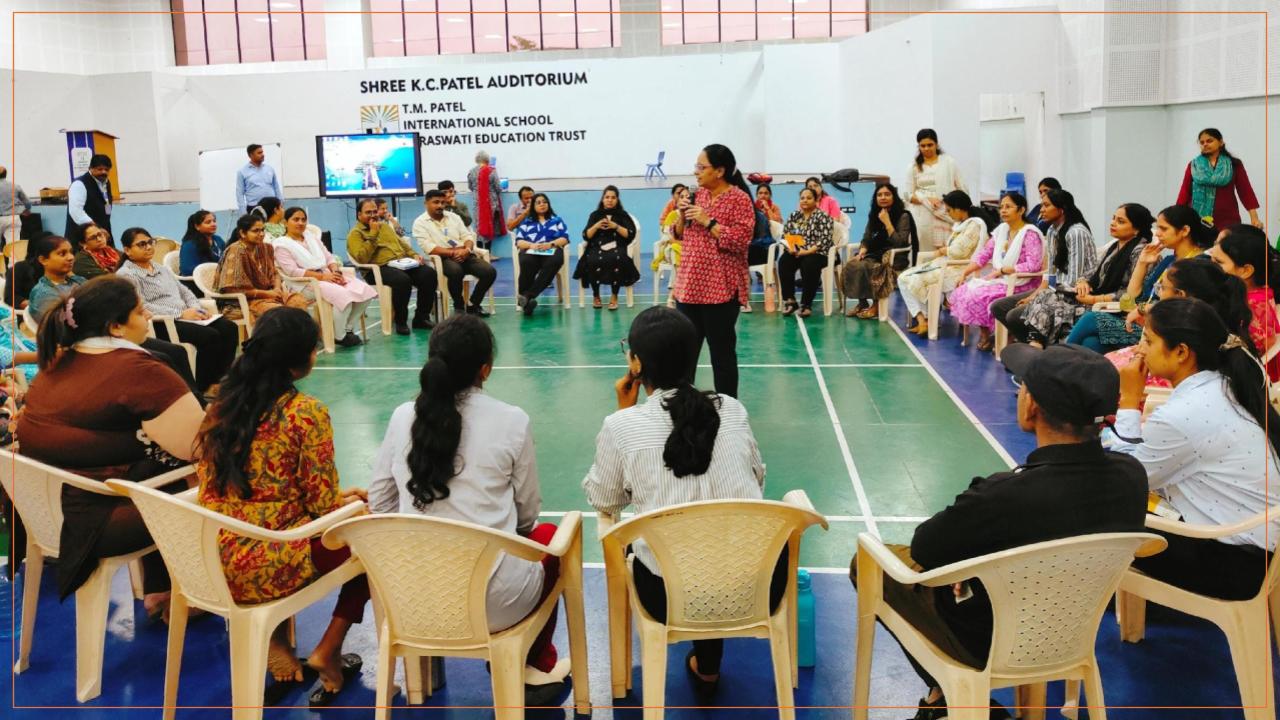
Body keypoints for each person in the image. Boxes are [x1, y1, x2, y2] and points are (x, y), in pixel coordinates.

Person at [852, 343, 1147, 720]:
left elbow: (925, 548)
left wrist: (969, 570)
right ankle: (944, 698)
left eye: (1023, 385)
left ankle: (947, 696)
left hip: (990, 639)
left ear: (1032, 407)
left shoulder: (1004, 495)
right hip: (1072, 633)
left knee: (869, 564)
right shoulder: (1132, 478)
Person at [367, 313, 569, 704]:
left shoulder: (402, 416)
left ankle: (421, 681)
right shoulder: (512, 420)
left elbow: (380, 503)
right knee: (548, 539)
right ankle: (534, 664)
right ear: (485, 370)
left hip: (413, 599)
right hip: (495, 604)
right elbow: (527, 516)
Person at [582, 306, 772, 702]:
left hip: (668, 596)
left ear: (636, 363)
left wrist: (623, 414)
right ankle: (708, 666)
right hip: (756, 587)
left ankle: (696, 665)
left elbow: (604, 499)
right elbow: (758, 478)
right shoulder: (732, 410)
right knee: (715, 538)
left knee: (660, 547)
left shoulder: (621, 426)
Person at [194, 307, 370, 706]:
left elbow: (247, 488)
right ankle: (329, 647)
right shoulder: (305, 414)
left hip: (211, 554)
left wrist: (339, 501)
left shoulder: (219, 407)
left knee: (337, 515)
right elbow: (322, 508)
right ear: (304, 358)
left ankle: (276, 639)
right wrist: (347, 505)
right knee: (373, 541)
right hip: (272, 558)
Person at [17, 276, 205, 612]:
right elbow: (198, 446)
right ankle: (203, 593)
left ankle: (161, 590)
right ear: (115, 326)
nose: (148, 314)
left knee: (161, 463)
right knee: (216, 476)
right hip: (100, 523)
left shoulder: (56, 364)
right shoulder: (140, 371)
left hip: (46, 513)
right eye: (139, 310)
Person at [1112, 297, 1279, 601]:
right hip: (1259, 548)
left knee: (1100, 510)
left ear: (1181, 352)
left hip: (1234, 564)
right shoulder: (1226, 384)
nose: (1139, 349)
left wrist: (1128, 402)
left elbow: (1126, 482)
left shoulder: (1183, 414)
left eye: (1148, 340)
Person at [27, 233, 199, 392]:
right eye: (62, 254)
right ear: (43, 260)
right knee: (161, 358)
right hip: (86, 345)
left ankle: (195, 402)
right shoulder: (43, 293)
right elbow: (63, 330)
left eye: (70, 252)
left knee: (177, 352)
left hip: (110, 335)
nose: (71, 257)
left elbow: (103, 305)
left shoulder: (78, 281)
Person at [1067, 204, 1214, 353]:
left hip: (1164, 330)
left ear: (1184, 231)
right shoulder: (1168, 260)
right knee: (1091, 343)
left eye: (1163, 229)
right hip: (1142, 323)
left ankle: (1054, 361)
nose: (1157, 234)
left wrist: (1144, 309)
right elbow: (1132, 297)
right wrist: (1142, 263)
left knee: (1091, 318)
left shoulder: (1199, 263)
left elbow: (1184, 307)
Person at [671, 144, 754, 398]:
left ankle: (728, 409)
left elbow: (741, 240)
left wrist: (709, 221)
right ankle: (683, 406)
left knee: (722, 354)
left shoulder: (739, 199)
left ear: (719, 171)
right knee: (685, 353)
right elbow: (678, 235)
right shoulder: (698, 196)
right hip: (690, 287)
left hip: (721, 289)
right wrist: (683, 216)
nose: (696, 172)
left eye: (701, 167)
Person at [117, 226, 239, 393]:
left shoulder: (161, 268)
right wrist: (181, 314)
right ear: (128, 250)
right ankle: (204, 385)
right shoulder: (127, 274)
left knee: (229, 328)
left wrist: (197, 309)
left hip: (186, 316)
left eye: (150, 242)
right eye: (141, 244)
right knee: (210, 336)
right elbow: (141, 306)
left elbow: (184, 291)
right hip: (160, 322)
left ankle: (220, 380)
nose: (148, 247)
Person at [1105, 258, 1253, 393]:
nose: (1158, 294)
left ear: (1180, 295)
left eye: (1162, 288)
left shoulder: (1183, 336)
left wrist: (1129, 398)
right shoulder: (1211, 327)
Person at [995, 189, 1097, 345]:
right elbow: (1051, 272)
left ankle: (1038, 349)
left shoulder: (1076, 233)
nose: (1041, 209)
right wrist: (1036, 294)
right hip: (1055, 290)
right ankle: (1036, 347)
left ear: (1061, 209)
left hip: (1074, 296)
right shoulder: (1052, 230)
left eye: (1046, 205)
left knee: (1014, 315)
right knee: (999, 307)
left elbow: (1073, 281)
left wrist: (1039, 296)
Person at [948, 192, 1045, 351]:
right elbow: (984, 254)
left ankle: (1005, 335)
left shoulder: (1030, 233)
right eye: (1001, 207)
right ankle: (986, 334)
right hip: (1002, 278)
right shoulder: (1002, 230)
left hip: (1023, 282)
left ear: (1021, 210)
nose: (1003, 211)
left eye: (1008, 207)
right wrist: (965, 273)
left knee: (982, 294)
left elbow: (1033, 265)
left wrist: (1006, 270)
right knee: (966, 289)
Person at [273, 206, 377, 347]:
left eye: (303, 219)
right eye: (295, 219)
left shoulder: (311, 237)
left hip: (327, 275)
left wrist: (335, 271)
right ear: (285, 223)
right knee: (344, 297)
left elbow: (329, 257)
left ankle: (347, 329)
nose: (300, 223)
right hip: (305, 283)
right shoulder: (281, 244)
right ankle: (339, 336)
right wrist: (323, 278)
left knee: (365, 291)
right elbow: (293, 272)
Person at [898, 190, 989, 336]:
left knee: (915, 278)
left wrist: (944, 250)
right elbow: (953, 249)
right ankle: (923, 320)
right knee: (902, 278)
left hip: (960, 268)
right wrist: (945, 251)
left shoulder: (974, 226)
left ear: (958, 208)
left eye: (949, 210)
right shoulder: (961, 225)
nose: (948, 213)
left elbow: (959, 251)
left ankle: (927, 320)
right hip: (947, 264)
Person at [346, 197, 437, 335]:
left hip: (401, 264)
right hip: (377, 269)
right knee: (402, 280)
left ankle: (421, 318)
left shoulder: (384, 226)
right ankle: (400, 322)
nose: (373, 215)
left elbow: (401, 243)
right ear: (359, 215)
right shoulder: (355, 234)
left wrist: (413, 255)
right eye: (368, 212)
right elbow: (361, 258)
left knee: (429, 274)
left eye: (374, 211)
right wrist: (373, 234)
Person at [1208, 224, 1280, 380]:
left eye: (1218, 262)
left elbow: (1247, 353)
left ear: (1245, 270)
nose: (1210, 267)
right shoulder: (1258, 294)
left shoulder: (1252, 304)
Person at [412, 190, 496, 317]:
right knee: (456, 271)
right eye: (436, 202)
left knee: (489, 272)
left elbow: (467, 236)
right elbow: (429, 247)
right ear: (426, 203)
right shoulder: (420, 223)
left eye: (443, 202)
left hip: (465, 254)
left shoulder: (454, 217)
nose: (440, 206)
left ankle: (473, 304)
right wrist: (452, 253)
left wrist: (467, 250)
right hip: (443, 259)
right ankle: (459, 306)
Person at [841, 182, 918, 320]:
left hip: (894, 256)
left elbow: (900, 243)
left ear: (894, 197)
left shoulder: (903, 216)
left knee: (872, 268)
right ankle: (862, 303)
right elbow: (867, 236)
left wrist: (887, 222)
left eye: (887, 194)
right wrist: (863, 250)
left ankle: (876, 306)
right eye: (879, 195)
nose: (883, 197)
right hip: (874, 253)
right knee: (853, 265)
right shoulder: (874, 215)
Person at [214, 214, 311, 323]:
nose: (261, 234)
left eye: (262, 230)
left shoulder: (266, 248)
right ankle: (280, 339)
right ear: (242, 233)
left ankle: (301, 339)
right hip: (242, 301)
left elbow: (275, 273)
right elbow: (232, 288)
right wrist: (267, 294)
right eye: (256, 231)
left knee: (298, 301)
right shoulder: (236, 251)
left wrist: (277, 289)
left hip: (271, 294)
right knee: (280, 312)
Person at [1175, 128, 1263, 232]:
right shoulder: (1194, 166)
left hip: (1227, 219)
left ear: (1221, 142)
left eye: (1209, 141)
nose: (1205, 144)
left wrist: (1254, 217)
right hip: (1196, 219)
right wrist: (1176, 217)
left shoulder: (1233, 164)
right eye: (1202, 142)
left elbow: (1245, 191)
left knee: (1227, 247)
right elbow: (1185, 192)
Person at [575, 185, 639, 310]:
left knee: (617, 259)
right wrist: (596, 226)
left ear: (617, 200)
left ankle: (614, 296)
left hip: (617, 246)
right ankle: (596, 295)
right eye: (607, 197)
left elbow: (630, 235)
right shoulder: (595, 215)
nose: (610, 200)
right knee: (592, 260)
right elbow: (586, 235)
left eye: (613, 197)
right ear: (602, 199)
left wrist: (616, 226)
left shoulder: (623, 215)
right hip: (596, 247)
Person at [904, 129, 968, 252]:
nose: (926, 148)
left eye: (930, 145)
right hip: (923, 214)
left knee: (947, 248)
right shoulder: (913, 166)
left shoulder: (949, 163)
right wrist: (925, 199)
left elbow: (962, 189)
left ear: (936, 144)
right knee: (924, 248)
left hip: (946, 212)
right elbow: (907, 195)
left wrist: (948, 203)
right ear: (919, 146)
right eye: (923, 146)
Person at [776, 187, 835, 317]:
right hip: (798, 251)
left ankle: (806, 304)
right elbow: (786, 235)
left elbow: (824, 240)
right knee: (784, 261)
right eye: (802, 198)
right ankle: (790, 300)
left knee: (809, 264)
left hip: (819, 253)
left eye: (809, 198)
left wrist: (807, 252)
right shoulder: (794, 215)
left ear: (816, 200)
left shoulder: (823, 216)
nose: (805, 200)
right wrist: (791, 248)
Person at [513, 193, 569, 317]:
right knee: (526, 261)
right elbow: (519, 241)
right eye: (538, 202)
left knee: (554, 262)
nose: (542, 204)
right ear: (533, 206)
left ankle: (527, 297)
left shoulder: (556, 220)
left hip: (551, 250)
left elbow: (565, 238)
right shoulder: (527, 222)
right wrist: (531, 245)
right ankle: (528, 303)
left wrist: (551, 244)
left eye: (545, 202)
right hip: (532, 250)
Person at [65, 154, 113, 248]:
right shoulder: (79, 184)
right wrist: (97, 229)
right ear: (90, 168)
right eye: (100, 169)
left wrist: (106, 220)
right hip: (83, 237)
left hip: (103, 233)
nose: (103, 172)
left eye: (106, 170)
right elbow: (76, 212)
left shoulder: (106, 182)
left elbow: (107, 202)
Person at [467, 150, 505, 249]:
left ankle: (480, 253)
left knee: (478, 227)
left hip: (477, 203)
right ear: (487, 160)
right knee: (488, 227)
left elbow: (470, 187)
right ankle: (488, 253)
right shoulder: (491, 170)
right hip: (490, 203)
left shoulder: (471, 171)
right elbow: (498, 188)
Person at [235, 143, 283, 215]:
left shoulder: (269, 169)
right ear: (251, 155)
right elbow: (239, 193)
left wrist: (280, 203)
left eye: (262, 152)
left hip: (272, 206)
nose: (262, 154)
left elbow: (276, 187)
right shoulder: (242, 172)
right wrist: (243, 213)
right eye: (259, 153)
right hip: (254, 207)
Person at [178, 209, 227, 276]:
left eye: (214, 221)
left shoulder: (218, 240)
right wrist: (212, 271)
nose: (213, 224)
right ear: (197, 226)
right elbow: (187, 270)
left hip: (219, 278)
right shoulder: (189, 245)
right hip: (197, 282)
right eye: (208, 222)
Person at [0, 164, 32, 248]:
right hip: (13, 218)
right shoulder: (15, 186)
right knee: (13, 246)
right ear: (5, 175)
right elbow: (27, 202)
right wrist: (24, 210)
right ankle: (14, 261)